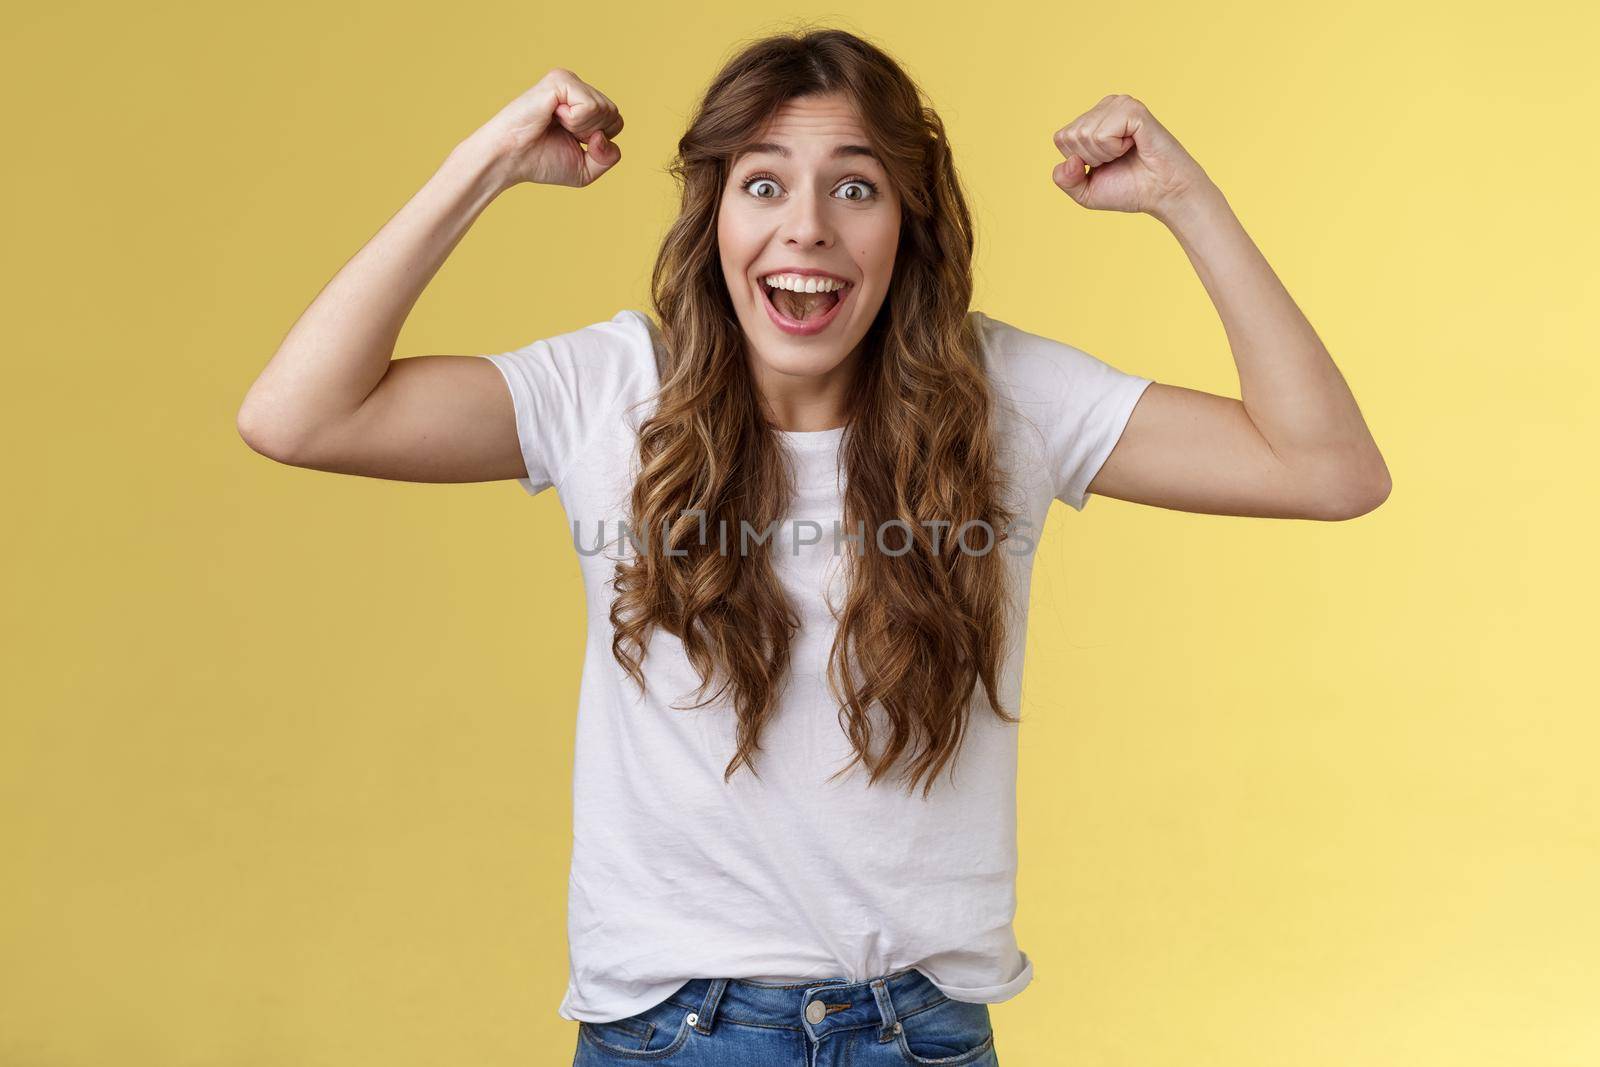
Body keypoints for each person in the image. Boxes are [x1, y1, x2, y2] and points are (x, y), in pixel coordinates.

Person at [236, 26, 1389, 1067]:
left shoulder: (1004, 399)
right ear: (713, 215)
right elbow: (298, 415)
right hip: (672, 1034)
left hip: (921, 1032)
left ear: (909, 227)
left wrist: (1185, 198)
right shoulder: (611, 391)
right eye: (762, 185)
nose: (807, 228)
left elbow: (1328, 471)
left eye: (855, 188)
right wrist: (487, 161)